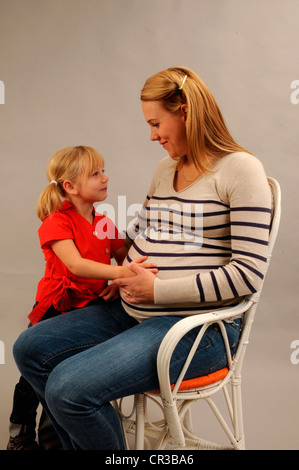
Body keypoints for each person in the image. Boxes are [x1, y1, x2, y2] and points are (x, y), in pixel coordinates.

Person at [13, 67, 272, 450]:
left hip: (195, 328)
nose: (151, 135)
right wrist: (119, 276)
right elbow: (139, 234)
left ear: (184, 112)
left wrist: (157, 289)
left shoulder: (240, 170)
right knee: (28, 348)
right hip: (133, 309)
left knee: (68, 388)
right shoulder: (166, 169)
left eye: (156, 123)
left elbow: (248, 275)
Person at [8, 145, 155, 450]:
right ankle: (19, 432)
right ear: (70, 187)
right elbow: (76, 264)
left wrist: (120, 278)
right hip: (57, 305)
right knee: (31, 374)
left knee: (69, 368)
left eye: (103, 171)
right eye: (96, 174)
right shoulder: (57, 222)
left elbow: (123, 257)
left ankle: (52, 432)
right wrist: (121, 275)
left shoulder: (104, 222)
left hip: (90, 305)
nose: (105, 178)